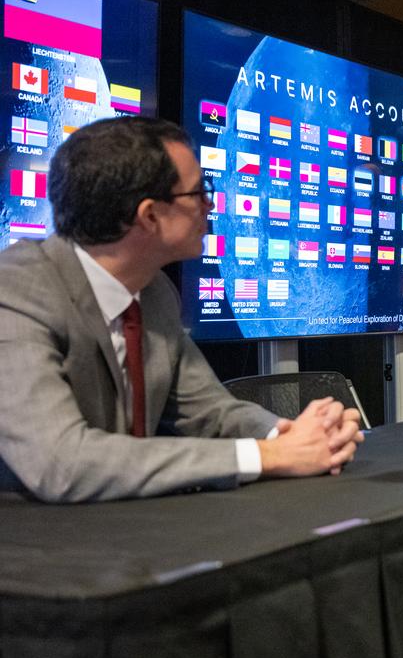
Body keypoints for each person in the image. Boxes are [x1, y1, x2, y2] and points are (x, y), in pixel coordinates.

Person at [0, 116, 363, 503]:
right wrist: (267, 455)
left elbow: (211, 414)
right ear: (150, 216)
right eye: (198, 192)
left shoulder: (154, 292)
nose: (211, 204)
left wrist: (293, 435)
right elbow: (61, 463)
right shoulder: (16, 292)